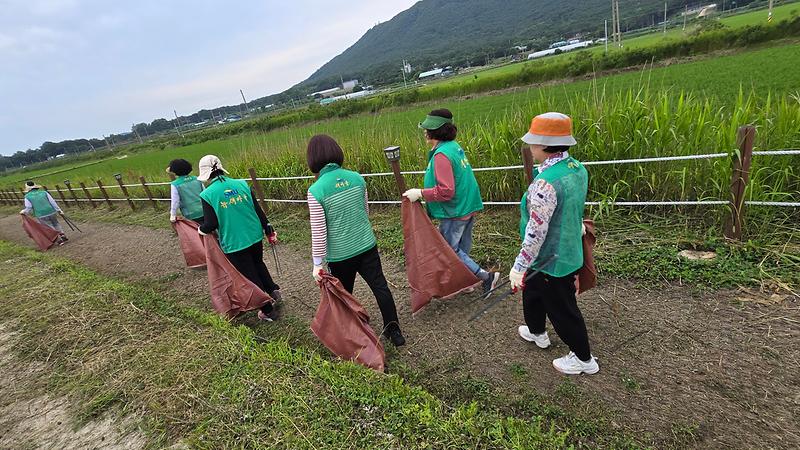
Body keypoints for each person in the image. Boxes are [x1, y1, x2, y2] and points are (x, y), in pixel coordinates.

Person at [510, 112, 598, 375]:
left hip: (552, 258)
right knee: (533, 292)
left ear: (544, 146)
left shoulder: (544, 185)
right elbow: (573, 206)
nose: (530, 147)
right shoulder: (577, 168)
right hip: (567, 247)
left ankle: (583, 359)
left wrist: (519, 267)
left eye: (533, 142)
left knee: (562, 308)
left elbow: (535, 234)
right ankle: (537, 331)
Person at [307, 135, 406, 347]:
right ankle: (394, 330)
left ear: (313, 159)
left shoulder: (316, 191)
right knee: (381, 287)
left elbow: (319, 231)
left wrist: (317, 264)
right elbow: (365, 211)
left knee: (344, 296)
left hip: (341, 255)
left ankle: (352, 337)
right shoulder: (357, 178)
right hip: (367, 245)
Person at [402, 108, 500, 297]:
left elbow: (446, 190)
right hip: (467, 205)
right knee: (461, 247)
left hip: (454, 211)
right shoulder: (453, 147)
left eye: (427, 128)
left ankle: (486, 277)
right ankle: (466, 281)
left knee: (450, 251)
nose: (424, 131)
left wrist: (420, 193)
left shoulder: (442, 156)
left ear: (435, 131)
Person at [196, 155, 281, 321]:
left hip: (234, 242)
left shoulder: (207, 195)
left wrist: (201, 230)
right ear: (221, 168)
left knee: (249, 275)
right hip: (255, 235)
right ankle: (273, 291)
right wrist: (268, 229)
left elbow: (211, 224)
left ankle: (267, 310)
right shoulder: (242, 184)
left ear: (205, 174)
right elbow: (258, 210)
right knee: (258, 263)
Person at [20, 181, 68, 245]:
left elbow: (29, 207)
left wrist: (23, 211)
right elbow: (52, 202)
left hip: (41, 214)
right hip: (51, 211)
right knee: (56, 223)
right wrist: (59, 210)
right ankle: (62, 235)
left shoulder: (27, 196)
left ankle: (59, 240)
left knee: (49, 227)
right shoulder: (44, 192)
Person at [167, 158, 204, 225]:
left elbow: (175, 201)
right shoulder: (197, 179)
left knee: (196, 232)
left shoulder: (175, 184)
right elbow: (205, 193)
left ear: (175, 171)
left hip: (190, 214)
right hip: (205, 210)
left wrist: (173, 215)